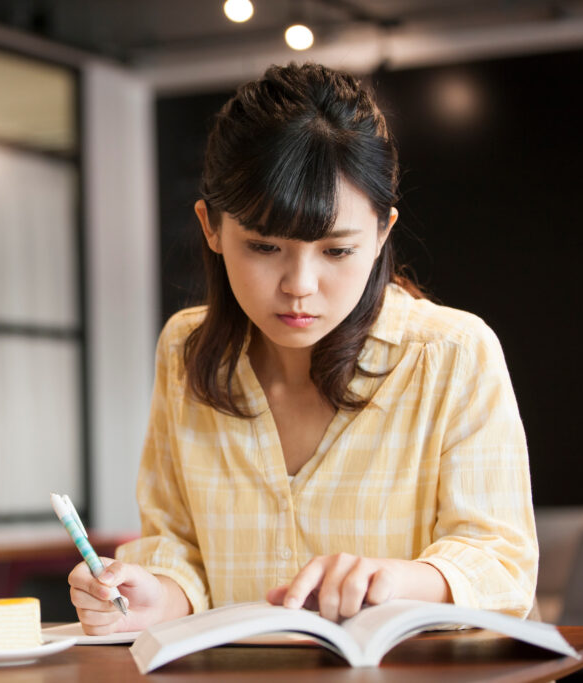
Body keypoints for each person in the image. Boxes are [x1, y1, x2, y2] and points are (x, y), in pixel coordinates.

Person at [68, 62, 537, 634]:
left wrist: (392, 581)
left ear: (383, 232)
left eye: (337, 251)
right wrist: (155, 595)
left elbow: (502, 563)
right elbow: (179, 548)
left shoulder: (453, 354)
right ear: (211, 227)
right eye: (265, 246)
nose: (300, 285)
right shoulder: (186, 352)